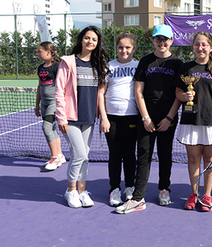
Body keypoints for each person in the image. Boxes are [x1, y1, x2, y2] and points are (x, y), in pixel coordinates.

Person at [115, 24, 183, 214]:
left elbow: (179, 94)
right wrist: (145, 117)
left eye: (165, 39)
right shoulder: (145, 61)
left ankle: (164, 189)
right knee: (143, 155)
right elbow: (138, 91)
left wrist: (169, 117)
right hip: (145, 117)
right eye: (158, 39)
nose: (162, 42)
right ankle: (138, 198)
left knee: (165, 155)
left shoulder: (178, 64)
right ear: (153, 40)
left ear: (171, 41)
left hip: (168, 118)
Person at [175, 31, 212, 212]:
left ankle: (207, 195)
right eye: (197, 44)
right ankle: (194, 194)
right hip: (191, 120)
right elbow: (178, 93)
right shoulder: (186, 68)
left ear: (211, 47)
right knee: (193, 159)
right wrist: (185, 95)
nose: (200, 47)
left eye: (204, 44)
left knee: (209, 160)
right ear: (193, 47)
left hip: (211, 122)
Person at [55, 26, 109, 208]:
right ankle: (70, 190)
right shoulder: (68, 62)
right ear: (81, 40)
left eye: (94, 39)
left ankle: (81, 191)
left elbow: (101, 92)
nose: (90, 42)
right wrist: (61, 117)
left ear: (97, 43)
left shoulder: (99, 65)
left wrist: (101, 117)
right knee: (78, 154)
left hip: (88, 118)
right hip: (70, 118)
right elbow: (59, 90)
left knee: (85, 156)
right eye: (87, 38)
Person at [98, 32, 138, 207]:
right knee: (115, 154)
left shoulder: (139, 66)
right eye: (120, 47)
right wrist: (104, 118)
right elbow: (100, 93)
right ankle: (114, 188)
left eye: (127, 47)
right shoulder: (109, 66)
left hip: (132, 116)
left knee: (129, 154)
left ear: (133, 49)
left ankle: (130, 186)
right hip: (112, 118)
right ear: (117, 48)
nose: (124, 50)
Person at [35, 41, 65, 171]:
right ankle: (60, 155)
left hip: (54, 102)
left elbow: (63, 83)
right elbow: (39, 86)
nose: (38, 54)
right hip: (44, 103)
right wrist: (37, 104)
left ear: (48, 52)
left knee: (46, 127)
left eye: (39, 51)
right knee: (52, 129)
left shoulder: (57, 66)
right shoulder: (41, 68)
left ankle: (54, 157)